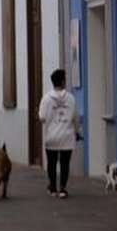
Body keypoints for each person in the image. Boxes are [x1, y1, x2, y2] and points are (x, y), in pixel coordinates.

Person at [39, 69, 82, 199]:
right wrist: (76, 131)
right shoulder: (71, 98)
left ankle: (52, 187)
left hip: (51, 135)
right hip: (67, 135)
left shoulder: (46, 98)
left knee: (51, 163)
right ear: (63, 81)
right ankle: (63, 189)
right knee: (65, 163)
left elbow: (42, 117)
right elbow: (76, 118)